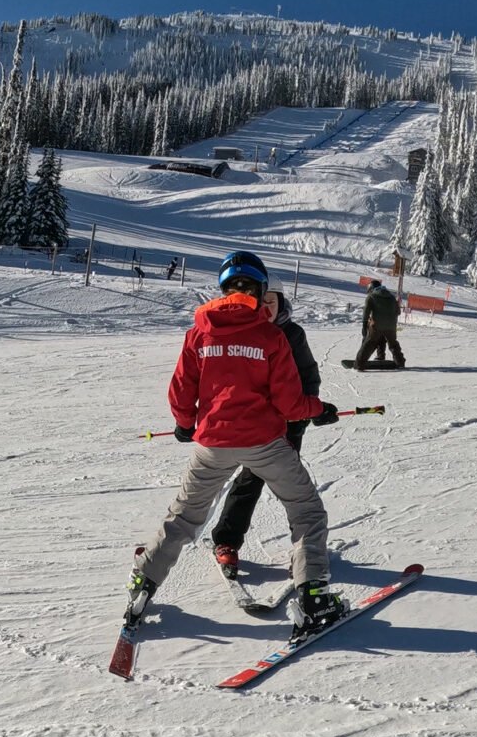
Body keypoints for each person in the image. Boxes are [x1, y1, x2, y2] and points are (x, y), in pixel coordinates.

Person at [124, 250, 349, 645]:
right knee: (306, 511)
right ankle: (314, 598)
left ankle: (144, 578)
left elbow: (180, 390)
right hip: (264, 444)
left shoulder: (199, 331)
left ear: (224, 290)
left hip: (211, 444)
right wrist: (319, 408)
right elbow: (289, 403)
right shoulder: (270, 336)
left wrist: (184, 424)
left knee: (183, 518)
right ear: (260, 291)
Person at [210, 275, 321, 580]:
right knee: (250, 481)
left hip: (288, 425)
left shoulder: (292, 334)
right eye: (263, 302)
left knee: (295, 493)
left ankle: (303, 551)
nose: (267, 309)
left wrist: (309, 408)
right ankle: (226, 540)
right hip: (256, 428)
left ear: (280, 304)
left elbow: (308, 374)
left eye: (273, 303)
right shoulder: (247, 333)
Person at [355, 280, 405, 369]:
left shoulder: (371, 296)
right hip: (391, 326)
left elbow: (366, 312)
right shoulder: (391, 297)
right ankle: (400, 362)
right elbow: (398, 312)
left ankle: (359, 364)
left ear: (371, 288)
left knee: (369, 343)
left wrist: (364, 325)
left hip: (377, 326)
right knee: (393, 344)